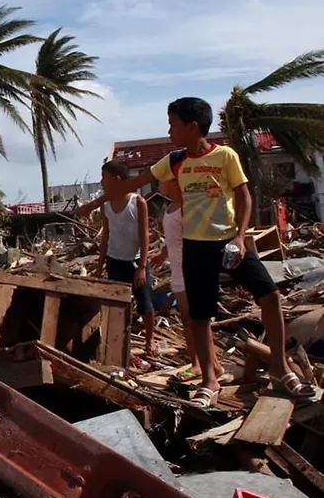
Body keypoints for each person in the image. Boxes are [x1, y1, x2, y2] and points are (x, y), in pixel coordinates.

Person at [78, 97, 314, 406]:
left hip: (229, 242)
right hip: (195, 248)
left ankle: (280, 369)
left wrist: (241, 237)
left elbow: (244, 198)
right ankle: (209, 380)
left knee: (269, 295)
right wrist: (93, 205)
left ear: (192, 126)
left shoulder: (225, 156)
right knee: (199, 317)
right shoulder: (174, 160)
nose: (169, 130)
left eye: (173, 124)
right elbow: (132, 184)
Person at [150, 179, 225, 381]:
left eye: (162, 181)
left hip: (190, 269)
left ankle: (206, 365)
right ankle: (202, 363)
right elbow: (173, 238)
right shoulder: (170, 208)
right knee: (188, 320)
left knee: (196, 320)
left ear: (174, 183)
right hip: (177, 270)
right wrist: (163, 254)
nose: (159, 185)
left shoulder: (186, 208)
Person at [95, 161, 156, 352]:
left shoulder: (138, 202)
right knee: (117, 306)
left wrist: (142, 267)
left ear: (116, 179)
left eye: (104, 177)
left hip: (135, 261)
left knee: (145, 304)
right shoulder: (105, 205)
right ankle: (117, 343)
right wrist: (99, 266)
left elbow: (144, 235)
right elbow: (106, 236)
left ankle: (149, 340)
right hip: (115, 261)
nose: (101, 181)